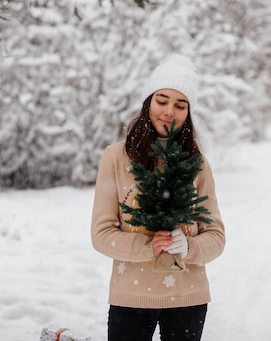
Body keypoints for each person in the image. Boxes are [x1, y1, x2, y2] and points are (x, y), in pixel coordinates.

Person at [91, 54, 226, 341]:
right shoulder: (116, 157)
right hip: (132, 296)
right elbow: (101, 234)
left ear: (189, 112)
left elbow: (216, 236)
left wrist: (188, 247)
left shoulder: (197, 163)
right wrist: (147, 247)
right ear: (148, 102)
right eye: (161, 100)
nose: (169, 111)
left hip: (188, 298)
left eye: (180, 105)